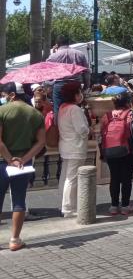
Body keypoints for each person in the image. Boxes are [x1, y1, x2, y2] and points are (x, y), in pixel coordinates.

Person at [0, 83, 46, 251]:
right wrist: (23, 159)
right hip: (23, 163)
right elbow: (41, 142)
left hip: (2, 161)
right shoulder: (34, 113)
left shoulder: (2, 111)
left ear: (11, 95)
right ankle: (14, 239)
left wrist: (9, 159)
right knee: (19, 201)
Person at [100, 93, 133, 215]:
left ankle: (114, 206)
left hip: (110, 149)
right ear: (127, 102)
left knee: (114, 178)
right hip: (126, 150)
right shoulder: (131, 114)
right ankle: (125, 206)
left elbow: (101, 130)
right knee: (126, 178)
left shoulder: (107, 115)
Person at [57, 82, 89, 217]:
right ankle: (68, 208)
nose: (80, 95)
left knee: (66, 176)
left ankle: (64, 204)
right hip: (75, 147)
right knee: (72, 178)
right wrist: (89, 130)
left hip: (65, 145)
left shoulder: (62, 108)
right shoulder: (74, 109)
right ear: (74, 95)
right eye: (78, 92)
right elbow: (81, 129)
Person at [47, 35, 90, 117]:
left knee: (58, 111)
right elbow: (86, 72)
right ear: (68, 43)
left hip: (60, 86)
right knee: (76, 109)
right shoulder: (80, 54)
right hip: (75, 84)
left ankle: (58, 128)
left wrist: (53, 52)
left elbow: (48, 72)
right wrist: (86, 86)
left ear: (57, 44)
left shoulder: (53, 56)